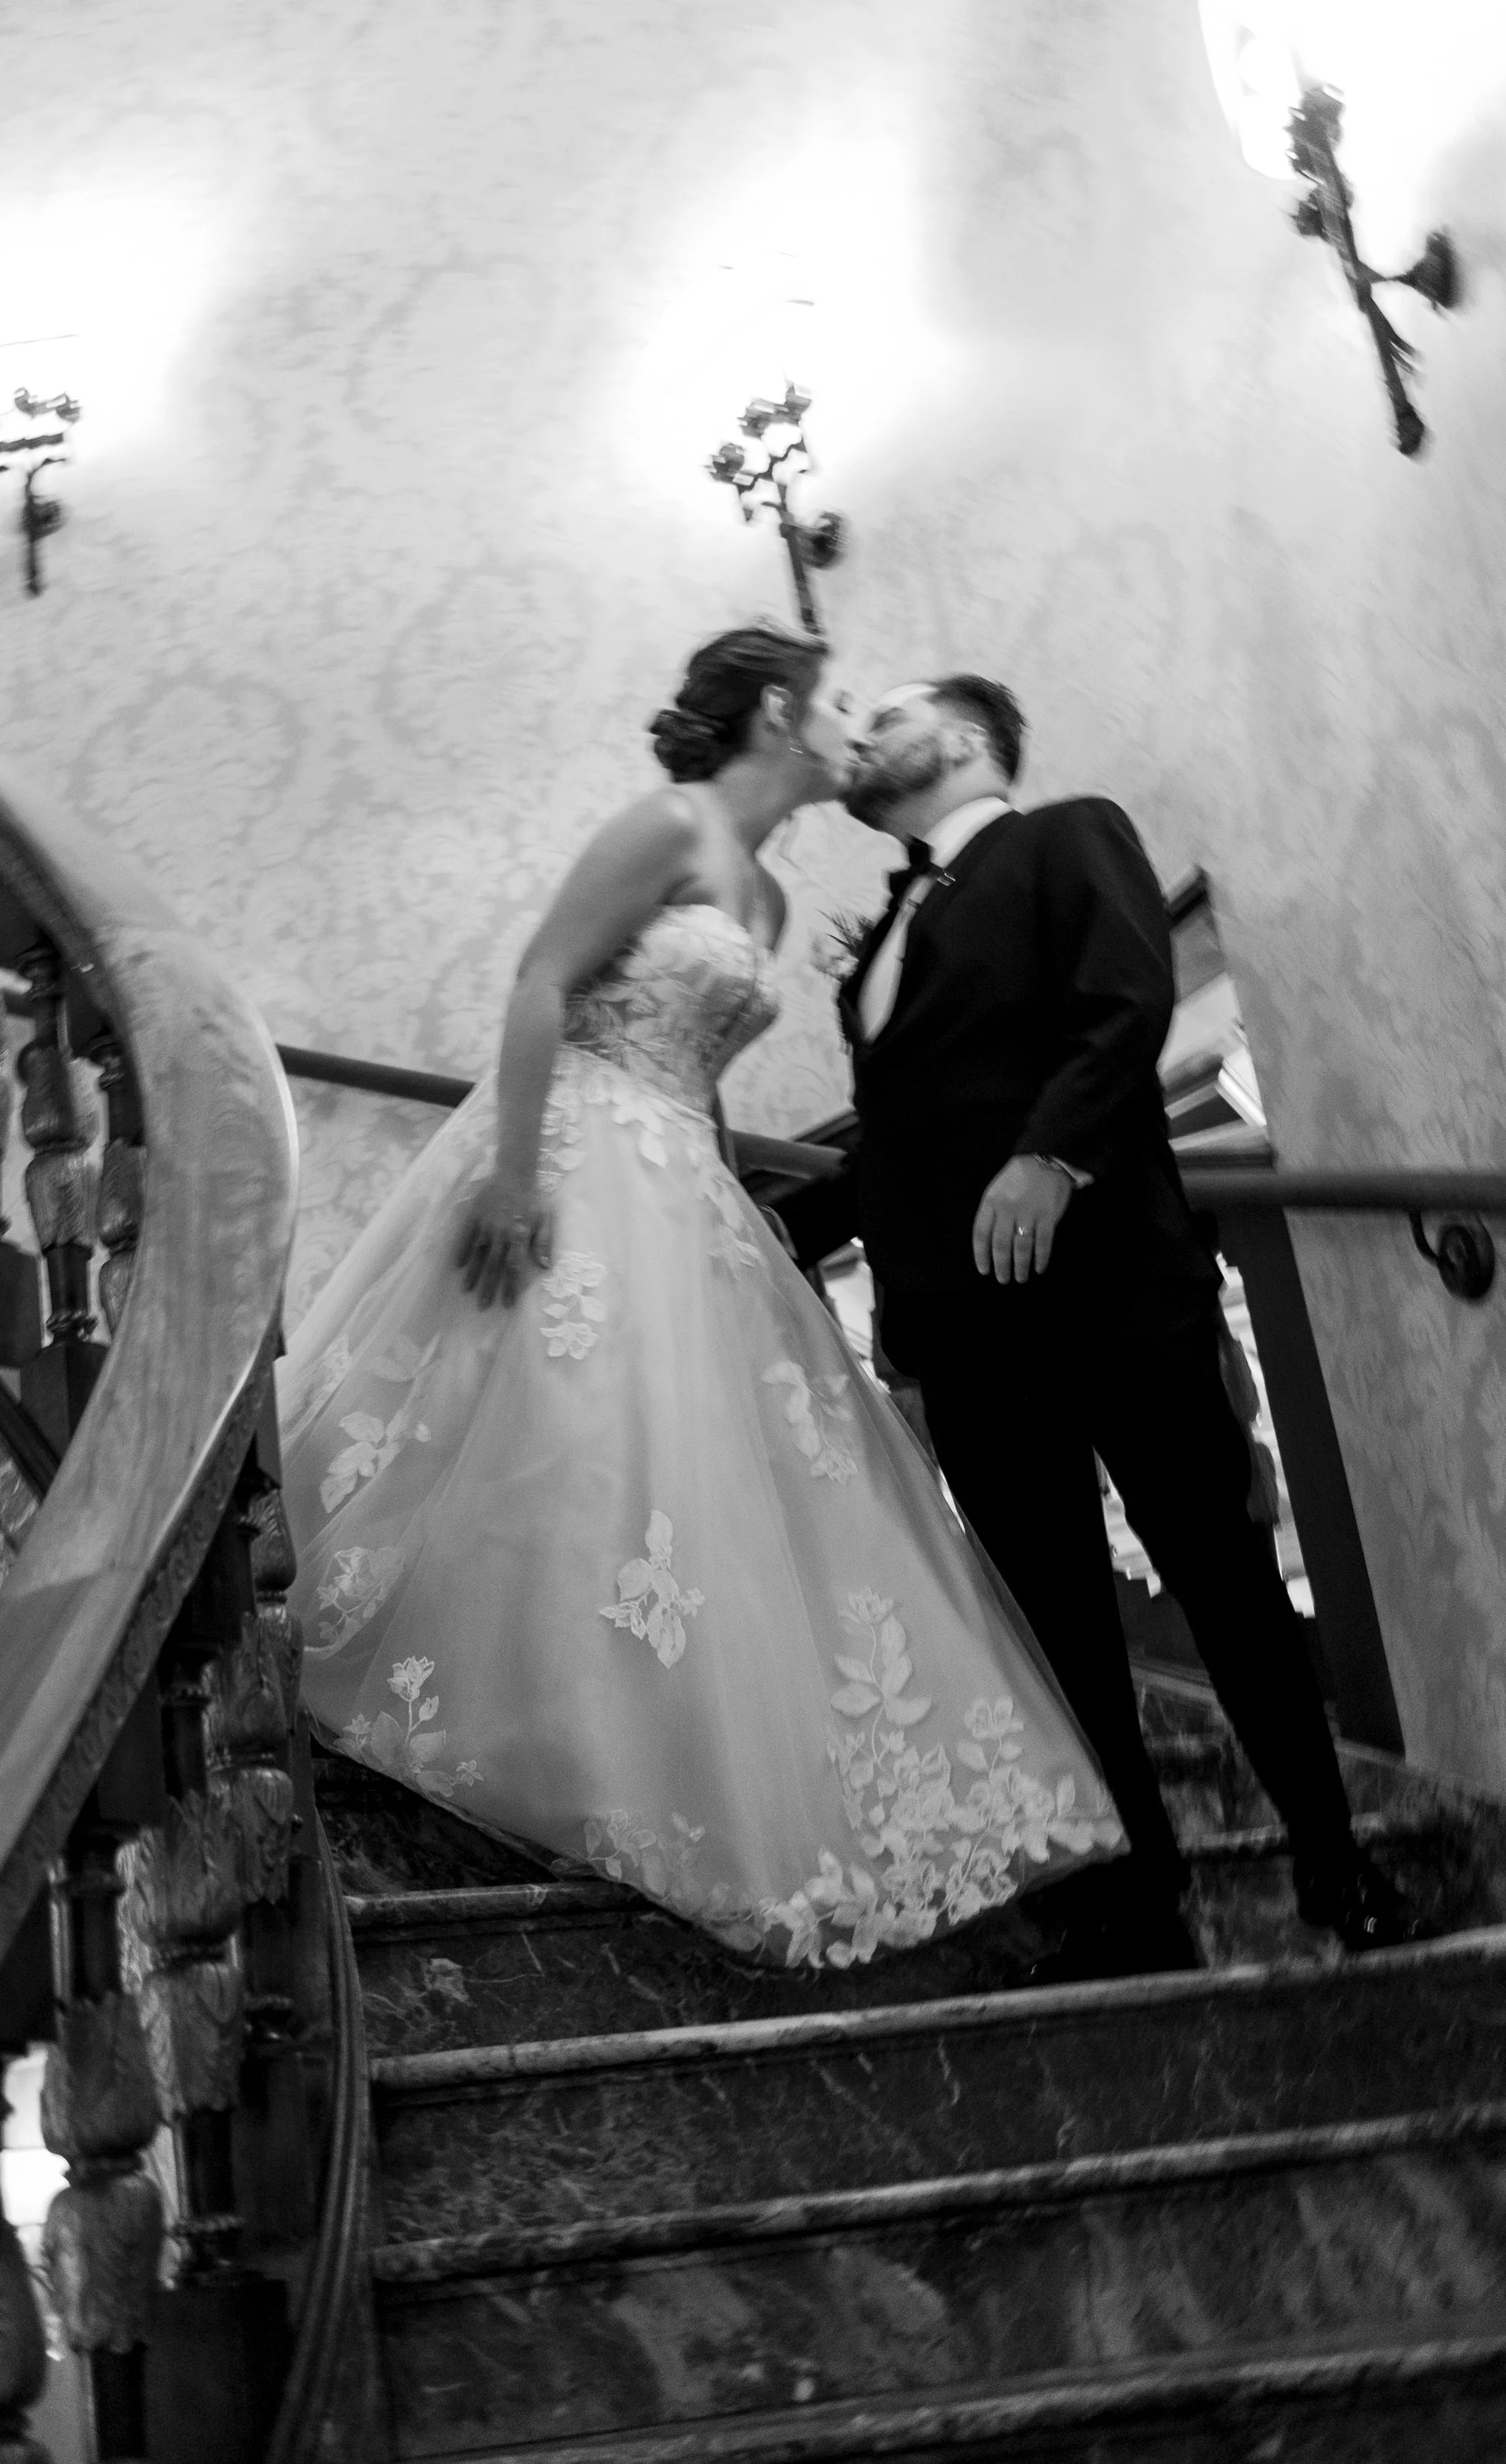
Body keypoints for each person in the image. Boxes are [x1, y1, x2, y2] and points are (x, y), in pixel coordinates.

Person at [274, 624, 1125, 1969]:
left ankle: (651, 1742)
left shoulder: (774, 904)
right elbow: (543, 979)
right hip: (571, 1155)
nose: (854, 724)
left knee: (685, 1477)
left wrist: (740, 1208)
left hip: (682, 1183)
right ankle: (512, 1723)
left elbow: (708, 1075)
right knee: (562, 1440)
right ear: (781, 712)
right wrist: (510, 1174)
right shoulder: (663, 825)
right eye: (841, 701)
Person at [778, 674, 1415, 1974]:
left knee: (1226, 1580)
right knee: (1054, 1621)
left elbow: (1124, 1003)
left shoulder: (1070, 834)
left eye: (890, 710)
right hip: (964, 1335)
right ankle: (1140, 1884)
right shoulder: (902, 912)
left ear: (960, 739)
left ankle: (1334, 1861)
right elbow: (912, 1132)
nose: (867, 733)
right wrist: (776, 1222)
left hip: (1112, 1292)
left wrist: (1054, 1160)